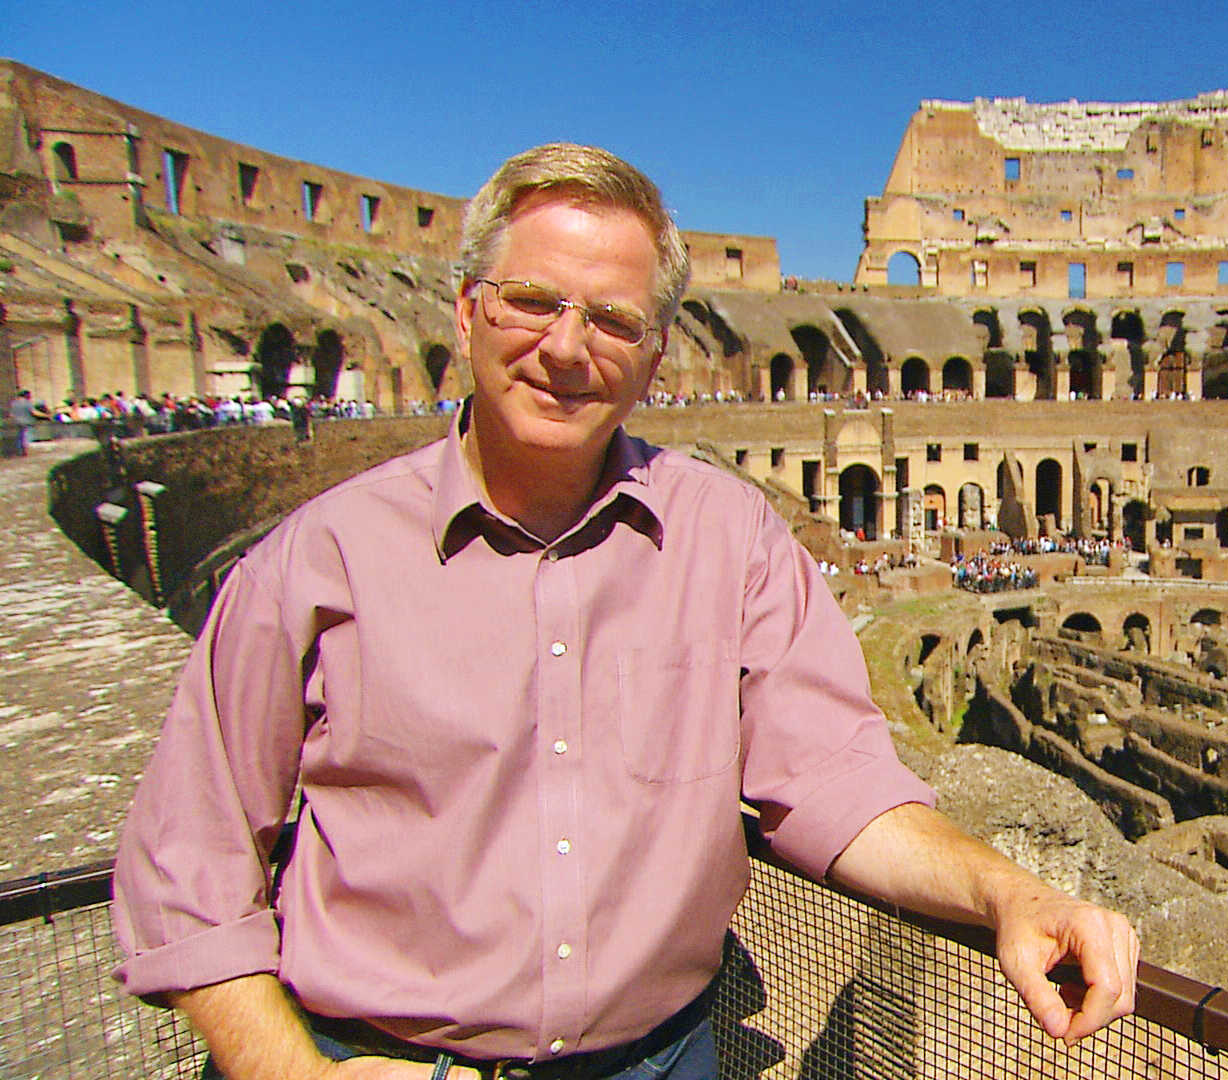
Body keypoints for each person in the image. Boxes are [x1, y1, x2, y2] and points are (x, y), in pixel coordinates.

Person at [111, 144, 1137, 1080]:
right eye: (531, 301)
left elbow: (831, 779)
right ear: (465, 314)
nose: (567, 348)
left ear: (656, 357)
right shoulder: (316, 560)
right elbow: (188, 865)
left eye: (612, 320)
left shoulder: (731, 541)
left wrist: (1013, 895)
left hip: (658, 1061)